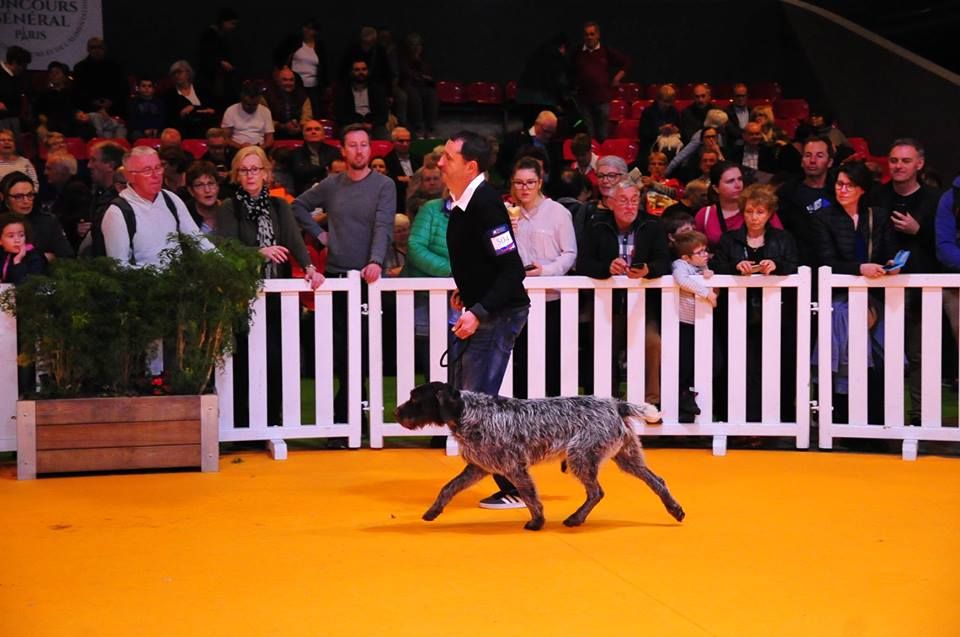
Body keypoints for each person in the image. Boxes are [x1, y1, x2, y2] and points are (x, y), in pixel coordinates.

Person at [440, 130, 530, 510]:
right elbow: (483, 262)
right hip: (486, 308)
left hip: (500, 313)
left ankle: (514, 487)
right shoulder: (464, 203)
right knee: (470, 402)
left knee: (479, 407)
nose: (440, 162)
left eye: (448, 157)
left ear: (470, 166)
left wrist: (478, 311)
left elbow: (512, 270)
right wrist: (470, 293)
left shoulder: (486, 205)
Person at [291, 123, 396, 422]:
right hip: (337, 277)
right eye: (352, 145)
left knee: (366, 349)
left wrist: (375, 261)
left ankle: (360, 414)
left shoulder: (383, 185)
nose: (359, 150)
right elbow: (298, 206)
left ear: (371, 147)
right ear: (343, 149)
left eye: (364, 144)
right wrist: (320, 235)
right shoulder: (332, 184)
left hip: (369, 279)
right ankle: (346, 415)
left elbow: (383, 225)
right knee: (340, 351)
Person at [813, 160, 899, 424]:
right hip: (839, 297)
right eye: (839, 184)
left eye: (849, 185)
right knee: (843, 357)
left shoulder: (878, 215)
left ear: (862, 189)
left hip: (877, 295)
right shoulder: (823, 218)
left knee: (878, 360)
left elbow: (888, 252)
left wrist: (892, 265)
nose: (843, 190)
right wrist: (860, 267)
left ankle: (877, 423)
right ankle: (840, 422)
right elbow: (825, 261)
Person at [710, 184, 799, 421]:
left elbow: (795, 265)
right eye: (749, 211)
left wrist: (776, 265)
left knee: (773, 367)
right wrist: (735, 267)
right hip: (737, 315)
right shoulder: (729, 239)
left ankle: (776, 421)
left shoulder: (783, 238)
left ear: (770, 213)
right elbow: (717, 267)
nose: (754, 217)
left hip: (775, 315)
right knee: (739, 367)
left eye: (760, 212)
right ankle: (737, 419)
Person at [577, 177, 670, 403]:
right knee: (603, 347)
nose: (630, 206)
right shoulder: (596, 225)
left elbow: (665, 262)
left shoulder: (652, 225)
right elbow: (583, 264)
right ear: (611, 203)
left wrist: (648, 269)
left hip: (642, 303)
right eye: (623, 201)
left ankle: (651, 402)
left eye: (634, 200)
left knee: (652, 342)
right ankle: (607, 402)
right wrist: (606, 268)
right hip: (606, 304)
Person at [868, 139, 940, 426]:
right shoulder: (877, 196)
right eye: (894, 160)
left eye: (905, 161)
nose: (898, 166)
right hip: (883, 288)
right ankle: (887, 418)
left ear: (919, 164)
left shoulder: (935, 199)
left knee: (921, 355)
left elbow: (944, 245)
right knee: (883, 354)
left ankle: (921, 418)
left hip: (924, 288)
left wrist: (918, 230)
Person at [508, 157, 577, 398]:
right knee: (520, 362)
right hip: (519, 299)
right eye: (519, 183)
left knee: (553, 363)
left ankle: (557, 425)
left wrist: (546, 271)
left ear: (539, 183)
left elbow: (570, 253)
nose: (524, 188)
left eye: (529, 182)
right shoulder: (508, 213)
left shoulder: (558, 213)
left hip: (552, 300)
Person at [100, 147, 211, 267]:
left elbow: (198, 240)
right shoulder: (117, 212)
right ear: (129, 176)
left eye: (158, 168)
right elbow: (118, 266)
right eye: (147, 170)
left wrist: (226, 265)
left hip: (179, 281)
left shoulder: (171, 199)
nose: (155, 175)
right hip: (143, 283)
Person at [671, 230, 717, 421]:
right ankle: (683, 398)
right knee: (685, 363)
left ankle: (692, 396)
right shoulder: (680, 265)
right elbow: (681, 280)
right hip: (684, 323)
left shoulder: (701, 267)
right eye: (700, 252)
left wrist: (708, 274)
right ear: (686, 257)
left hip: (701, 323)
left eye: (706, 251)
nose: (705, 255)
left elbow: (707, 276)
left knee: (714, 360)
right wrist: (706, 292)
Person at [777, 135, 836, 267]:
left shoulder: (839, 191)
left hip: (834, 265)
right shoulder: (787, 193)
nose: (812, 160)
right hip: (798, 264)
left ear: (830, 162)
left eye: (819, 156)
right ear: (801, 161)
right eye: (808, 155)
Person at [694, 161, 782, 248]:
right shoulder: (705, 215)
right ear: (716, 188)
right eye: (730, 181)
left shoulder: (761, 209)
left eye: (740, 179)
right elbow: (694, 247)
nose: (738, 185)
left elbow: (781, 242)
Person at [572, 21, 630, 141]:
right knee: (589, 135)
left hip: (602, 99)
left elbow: (626, 63)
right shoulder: (577, 52)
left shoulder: (606, 50)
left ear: (598, 35)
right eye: (586, 34)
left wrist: (617, 78)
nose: (589, 37)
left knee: (603, 134)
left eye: (592, 34)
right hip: (584, 100)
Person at [1, 171, 73, 263]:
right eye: (19, 196)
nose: (26, 201)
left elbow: (67, 257)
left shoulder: (48, 222)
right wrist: (43, 257)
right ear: (4, 198)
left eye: (30, 195)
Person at [398, 33, 438, 139]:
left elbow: (429, 74)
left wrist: (419, 62)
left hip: (423, 85)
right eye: (413, 45)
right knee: (413, 95)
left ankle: (430, 129)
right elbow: (405, 74)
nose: (416, 48)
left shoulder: (424, 58)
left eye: (418, 45)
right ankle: (418, 128)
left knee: (431, 94)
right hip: (408, 85)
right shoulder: (402, 59)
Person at [165, 60, 219, 139]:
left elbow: (212, 110)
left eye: (179, 72)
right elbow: (175, 117)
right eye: (174, 73)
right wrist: (202, 111)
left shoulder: (202, 90)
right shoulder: (170, 95)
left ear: (188, 73)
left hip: (205, 128)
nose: (176, 75)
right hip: (183, 131)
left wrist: (193, 108)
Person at [290, 119, 340, 195]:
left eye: (317, 129)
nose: (313, 132)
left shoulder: (335, 152)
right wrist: (324, 168)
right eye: (308, 130)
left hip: (330, 193)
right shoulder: (294, 154)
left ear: (323, 135)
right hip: (303, 194)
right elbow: (300, 173)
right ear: (303, 135)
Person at [221, 81, 275, 149]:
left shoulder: (266, 111)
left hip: (259, 149)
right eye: (248, 104)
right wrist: (240, 147)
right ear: (242, 98)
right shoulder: (231, 110)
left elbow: (269, 139)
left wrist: (259, 148)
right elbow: (225, 138)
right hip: (236, 149)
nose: (251, 108)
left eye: (255, 105)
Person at [0, 213, 45, 284]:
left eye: (21, 235)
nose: (17, 240)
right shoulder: (2, 253)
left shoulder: (33, 257)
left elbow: (26, 285)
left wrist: (17, 261)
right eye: (11, 236)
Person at [383, 127, 421, 204]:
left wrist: (405, 179)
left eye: (408, 141)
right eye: (401, 141)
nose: (405, 144)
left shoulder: (419, 159)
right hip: (397, 198)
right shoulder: (386, 161)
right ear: (393, 142)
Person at [0, 46, 32, 134]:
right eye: (23, 66)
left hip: (14, 119)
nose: (24, 69)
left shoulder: (19, 77)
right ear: (14, 62)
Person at [185, 160, 222, 234]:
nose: (207, 190)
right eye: (199, 185)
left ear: (218, 186)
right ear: (191, 191)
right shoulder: (185, 215)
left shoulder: (230, 210)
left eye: (211, 183)